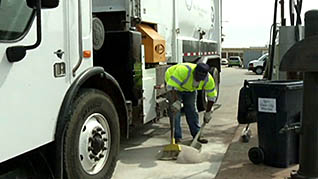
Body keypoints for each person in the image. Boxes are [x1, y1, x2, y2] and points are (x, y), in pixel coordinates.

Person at [165, 62, 217, 144]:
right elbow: (171, 87)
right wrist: (176, 101)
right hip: (174, 88)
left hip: (190, 89)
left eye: (200, 78)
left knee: (192, 110)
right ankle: (177, 138)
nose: (198, 79)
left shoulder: (208, 80)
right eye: (197, 77)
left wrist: (208, 112)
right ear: (194, 72)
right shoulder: (183, 71)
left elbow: (211, 97)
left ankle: (197, 135)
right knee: (175, 112)